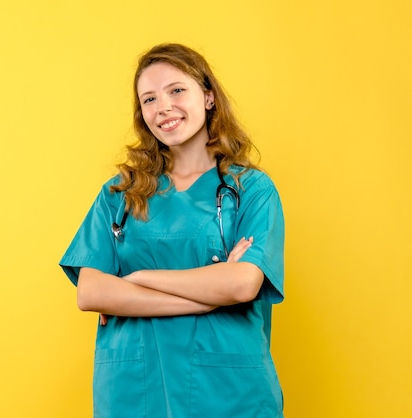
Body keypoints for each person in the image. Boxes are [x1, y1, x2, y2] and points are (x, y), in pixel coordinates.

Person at [59, 43, 285, 418]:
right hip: (135, 388)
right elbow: (91, 290)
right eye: (148, 99)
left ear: (209, 96)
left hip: (228, 391)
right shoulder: (120, 193)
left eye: (176, 90)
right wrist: (211, 294)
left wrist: (137, 278)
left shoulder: (251, 190)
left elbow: (242, 285)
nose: (162, 107)